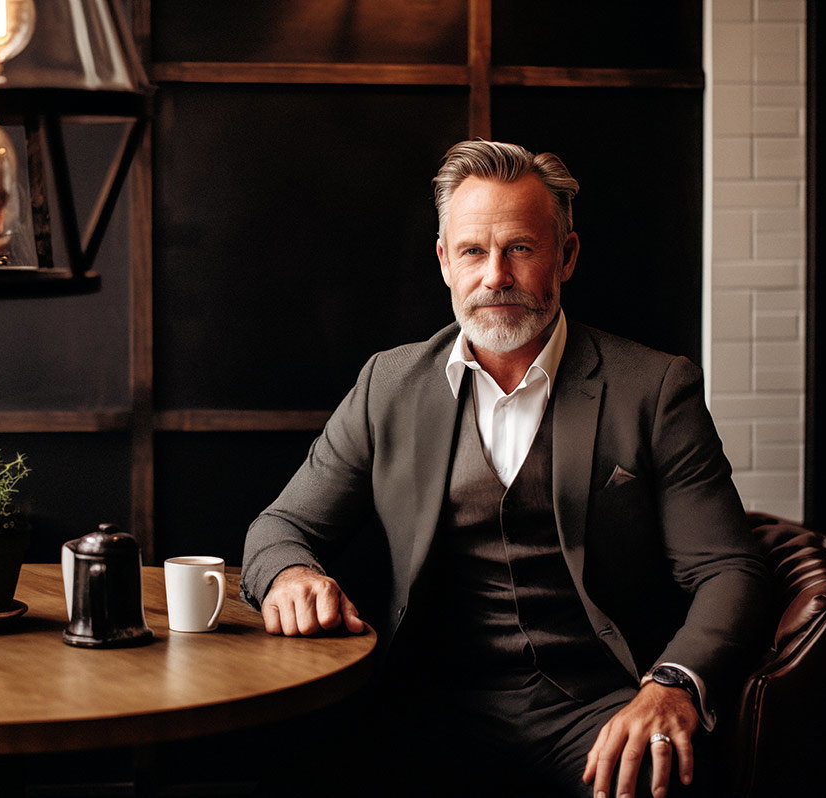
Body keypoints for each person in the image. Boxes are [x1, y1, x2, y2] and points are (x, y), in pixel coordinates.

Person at [241, 140, 770, 797]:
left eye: (520, 247)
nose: (495, 275)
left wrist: (674, 683)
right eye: (472, 251)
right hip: (429, 704)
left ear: (566, 256)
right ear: (444, 262)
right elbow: (280, 527)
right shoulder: (390, 384)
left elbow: (727, 568)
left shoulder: (656, 388)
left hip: (599, 703)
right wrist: (292, 573)